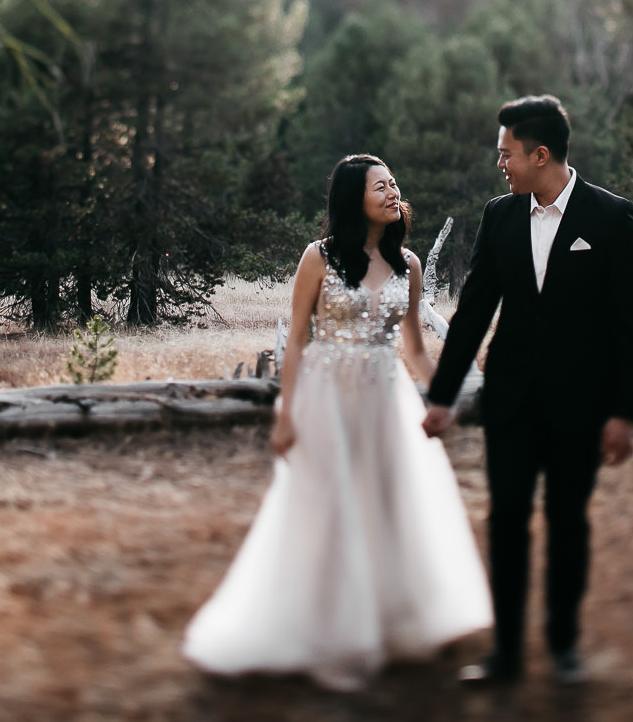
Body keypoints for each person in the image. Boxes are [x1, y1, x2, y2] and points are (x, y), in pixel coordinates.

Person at [183, 154, 492, 691]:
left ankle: (384, 622)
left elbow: (415, 350)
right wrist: (286, 413)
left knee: (382, 502)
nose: (393, 192)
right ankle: (322, 628)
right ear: (354, 197)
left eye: (395, 183)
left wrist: (445, 395)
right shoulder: (318, 258)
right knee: (328, 506)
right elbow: (297, 343)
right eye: (380, 186)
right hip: (325, 395)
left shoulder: (409, 265)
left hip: (384, 397)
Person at [422, 95, 633, 686]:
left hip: (582, 407)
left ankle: (563, 647)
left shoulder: (610, 219)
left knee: (567, 521)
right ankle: (504, 654)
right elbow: (473, 313)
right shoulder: (499, 217)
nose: (499, 162)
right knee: (505, 522)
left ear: (540, 154)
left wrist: (625, 412)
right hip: (511, 402)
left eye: (506, 153)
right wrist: (442, 396)